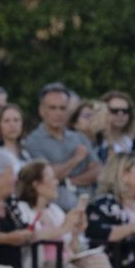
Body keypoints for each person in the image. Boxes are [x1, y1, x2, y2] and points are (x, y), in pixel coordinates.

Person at [21, 82, 99, 210]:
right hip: (57, 208)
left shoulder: (79, 137)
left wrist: (69, 181)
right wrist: (76, 160)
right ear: (41, 110)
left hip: (89, 203)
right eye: (53, 108)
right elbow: (47, 175)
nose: (58, 113)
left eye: (63, 108)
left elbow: (97, 170)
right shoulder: (33, 142)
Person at [100, 91, 135, 156]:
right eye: (114, 111)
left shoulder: (131, 141)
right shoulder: (96, 140)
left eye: (125, 111)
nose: (120, 114)